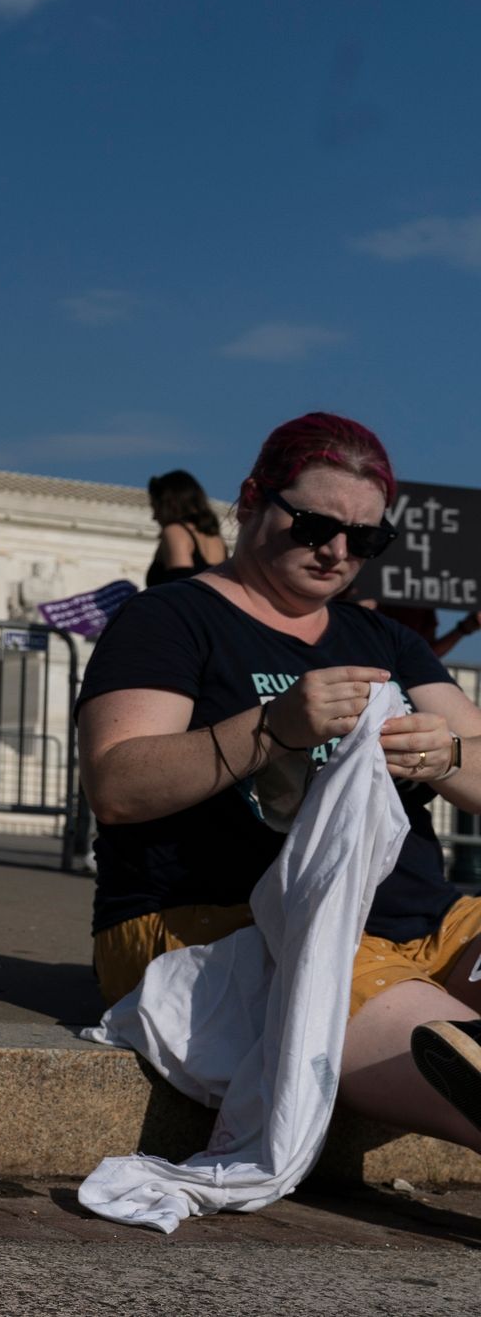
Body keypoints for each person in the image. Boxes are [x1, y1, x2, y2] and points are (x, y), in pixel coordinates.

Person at [81, 413, 481, 1162]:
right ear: (250, 499)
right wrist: (272, 727)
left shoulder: (387, 639)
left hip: (419, 918)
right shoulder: (168, 618)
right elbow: (118, 783)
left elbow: (474, 753)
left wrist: (446, 752)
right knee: (439, 1040)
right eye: (314, 524)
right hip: (222, 921)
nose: (337, 551)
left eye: (365, 539)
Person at [144, 469, 228, 588]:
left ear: (168, 504)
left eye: (155, 507)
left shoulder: (175, 532)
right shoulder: (216, 538)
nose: (154, 517)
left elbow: (180, 584)